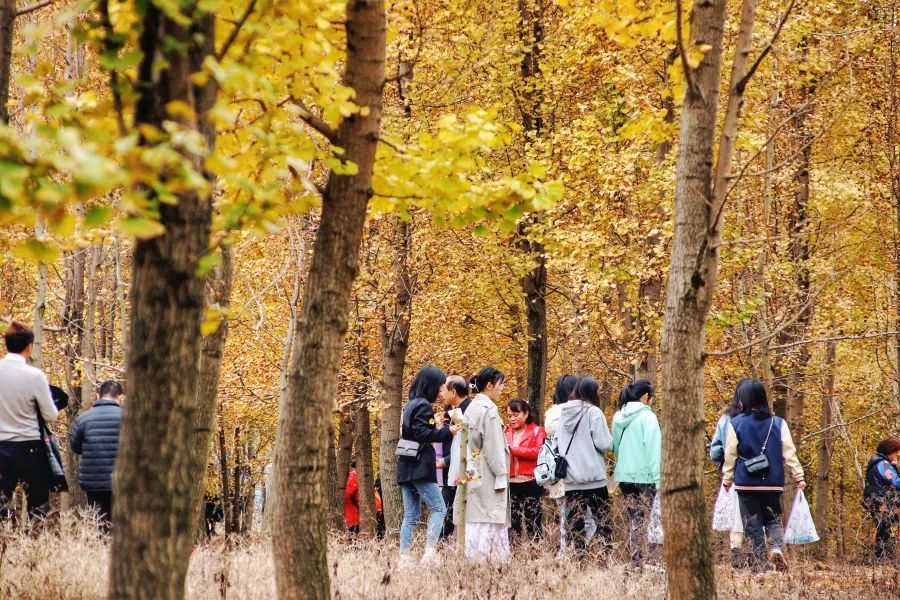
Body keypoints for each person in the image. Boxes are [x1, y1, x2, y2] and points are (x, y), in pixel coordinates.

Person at [722, 379, 805, 574]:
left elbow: (730, 454)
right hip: (772, 482)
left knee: (752, 523)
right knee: (773, 518)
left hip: (746, 483)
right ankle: (776, 548)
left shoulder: (736, 423)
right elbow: (789, 452)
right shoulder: (779, 423)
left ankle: (760, 566)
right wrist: (799, 476)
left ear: (743, 398)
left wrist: (727, 478)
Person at [397, 365, 457, 566]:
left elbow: (414, 432)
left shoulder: (410, 404)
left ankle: (404, 558)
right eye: (440, 386)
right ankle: (430, 553)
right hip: (420, 466)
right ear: (430, 385)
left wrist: (434, 424)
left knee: (411, 516)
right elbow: (423, 434)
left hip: (405, 465)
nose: (441, 391)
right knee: (439, 509)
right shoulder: (424, 405)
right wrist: (449, 431)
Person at [0, 322, 59, 520]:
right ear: (29, 346)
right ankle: (32, 545)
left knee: (1, 503)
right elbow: (51, 415)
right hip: (30, 448)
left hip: (1, 446)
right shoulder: (35, 376)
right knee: (37, 506)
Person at [456, 367, 510, 561]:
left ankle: (473, 563)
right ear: (489, 385)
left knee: (476, 521)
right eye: (500, 384)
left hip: (473, 471)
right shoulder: (489, 410)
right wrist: (501, 475)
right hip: (488, 474)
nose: (501, 388)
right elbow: (494, 446)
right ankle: (491, 565)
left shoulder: (471, 408)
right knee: (490, 519)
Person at [555, 375, 613, 557]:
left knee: (575, 525)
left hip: (571, 478)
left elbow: (557, 441)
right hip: (594, 478)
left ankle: (577, 560)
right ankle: (604, 558)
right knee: (604, 523)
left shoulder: (563, 412)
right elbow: (604, 444)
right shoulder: (594, 413)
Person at [544, 374, 596, 557]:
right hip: (578, 473)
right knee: (587, 519)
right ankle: (573, 555)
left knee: (566, 517)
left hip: (559, 473)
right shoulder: (579, 413)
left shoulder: (551, 414)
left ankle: (567, 555)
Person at [611, 379, 660, 566]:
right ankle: (653, 561)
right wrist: (659, 478)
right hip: (645, 476)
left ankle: (635, 559)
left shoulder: (618, 417)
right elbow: (654, 450)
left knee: (634, 518)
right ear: (645, 397)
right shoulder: (648, 418)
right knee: (652, 518)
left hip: (625, 476)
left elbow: (616, 447)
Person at [70, 379, 123, 529]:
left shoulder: (84, 419)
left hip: (93, 481)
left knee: (99, 522)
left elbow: (75, 447)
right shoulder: (130, 418)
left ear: (98, 396)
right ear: (120, 397)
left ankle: (99, 550)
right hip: (122, 480)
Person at [709, 393, 747, 568]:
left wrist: (722, 464)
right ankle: (757, 554)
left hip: (731, 473)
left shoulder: (726, 419)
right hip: (756, 473)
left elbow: (715, 450)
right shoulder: (758, 420)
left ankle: (736, 553)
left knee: (735, 515)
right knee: (755, 513)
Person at [504, 399, 546, 543]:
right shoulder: (506, 432)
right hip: (511, 482)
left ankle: (535, 554)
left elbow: (537, 452)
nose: (512, 418)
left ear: (526, 413)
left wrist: (513, 450)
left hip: (531, 481)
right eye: (509, 415)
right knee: (512, 522)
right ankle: (515, 555)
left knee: (533, 520)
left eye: (516, 414)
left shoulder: (537, 431)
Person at [440, 374, 471, 538]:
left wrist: (445, 461)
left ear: (453, 391)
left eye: (443, 389)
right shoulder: (455, 411)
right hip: (452, 471)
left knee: (449, 513)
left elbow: (468, 446)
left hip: (464, 473)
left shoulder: (469, 411)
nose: (441, 393)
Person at [862, 438, 900, 562]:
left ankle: (883, 558)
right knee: (885, 527)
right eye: (895, 451)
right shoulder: (883, 464)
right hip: (880, 501)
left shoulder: (877, 462)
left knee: (884, 527)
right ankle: (883, 559)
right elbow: (895, 481)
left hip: (875, 500)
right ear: (889, 451)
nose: (896, 454)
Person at [345, 461, 360, 535]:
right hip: (353, 511)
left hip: (355, 511)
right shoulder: (353, 477)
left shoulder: (356, 477)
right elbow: (348, 493)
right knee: (352, 533)